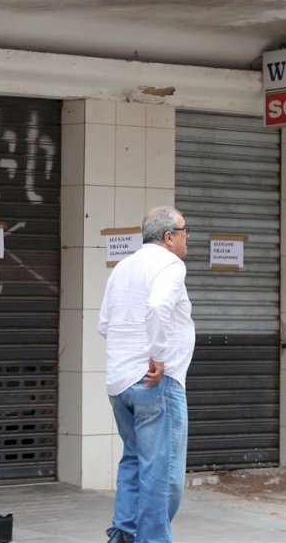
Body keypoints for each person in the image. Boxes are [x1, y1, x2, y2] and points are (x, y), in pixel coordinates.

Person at [98, 206, 195, 543]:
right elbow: (157, 307)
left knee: (134, 462)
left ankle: (123, 534)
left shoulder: (123, 266)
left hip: (120, 382)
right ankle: (152, 539)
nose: (188, 237)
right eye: (184, 230)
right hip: (155, 382)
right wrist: (157, 356)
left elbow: (104, 325)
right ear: (169, 237)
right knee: (162, 472)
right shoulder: (170, 265)